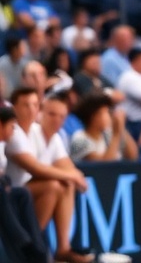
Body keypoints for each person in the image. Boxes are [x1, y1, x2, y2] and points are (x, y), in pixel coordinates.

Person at [4, 88, 91, 263]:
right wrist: (71, 175)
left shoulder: (44, 134)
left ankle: (62, 248)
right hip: (11, 195)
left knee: (64, 184)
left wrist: (74, 176)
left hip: (25, 194)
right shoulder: (13, 132)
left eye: (34, 105)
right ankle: (34, 246)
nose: (30, 109)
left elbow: (68, 168)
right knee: (53, 185)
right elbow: (35, 168)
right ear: (14, 108)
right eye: (26, 105)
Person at [0, 106, 50, 263]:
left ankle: (37, 246)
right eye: (11, 126)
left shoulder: (2, 145)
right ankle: (20, 238)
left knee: (23, 193)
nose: (13, 131)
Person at [68, 93, 137, 162]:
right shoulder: (79, 139)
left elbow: (132, 156)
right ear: (92, 117)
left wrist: (121, 127)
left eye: (108, 112)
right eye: (103, 113)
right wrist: (116, 135)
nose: (108, 116)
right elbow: (104, 165)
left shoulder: (107, 134)